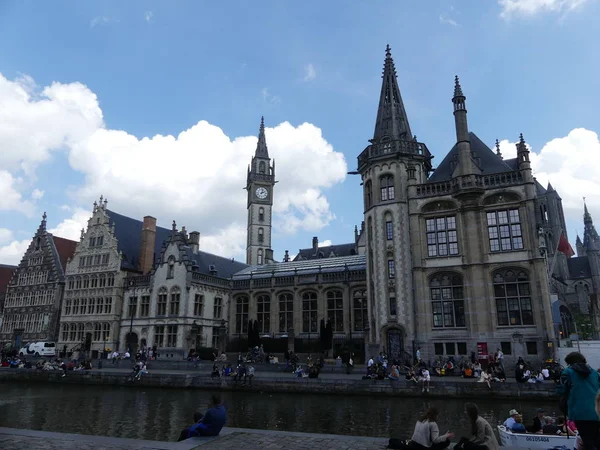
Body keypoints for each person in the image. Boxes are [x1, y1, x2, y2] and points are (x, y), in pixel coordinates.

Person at [557, 351, 600, 450]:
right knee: (597, 440)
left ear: (570, 363)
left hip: (579, 412)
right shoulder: (595, 373)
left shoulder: (568, 372)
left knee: (587, 440)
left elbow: (562, 390)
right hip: (597, 411)